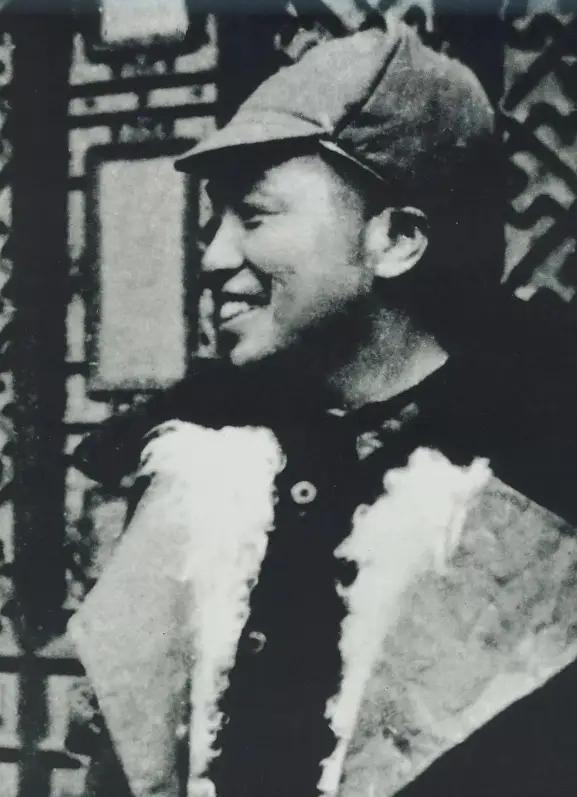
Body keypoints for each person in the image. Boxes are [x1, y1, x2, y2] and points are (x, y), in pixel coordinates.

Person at [68, 17, 577, 797]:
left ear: (395, 240)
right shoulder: (199, 469)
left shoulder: (536, 489)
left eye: (254, 215)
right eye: (215, 218)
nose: (213, 257)